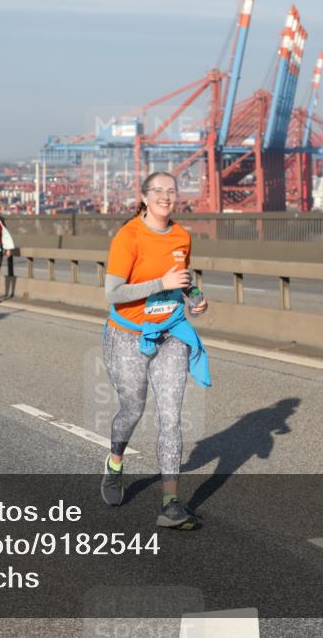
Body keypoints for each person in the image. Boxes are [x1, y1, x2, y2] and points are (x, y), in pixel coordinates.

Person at [99, 172, 210, 530]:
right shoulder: (128, 236)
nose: (166, 197)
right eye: (158, 191)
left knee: (171, 416)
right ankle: (115, 462)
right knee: (132, 410)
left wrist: (193, 297)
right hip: (127, 335)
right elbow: (113, 293)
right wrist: (160, 284)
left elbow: (182, 275)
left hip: (170, 331)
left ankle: (170, 502)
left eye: (171, 191)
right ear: (144, 197)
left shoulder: (181, 235)